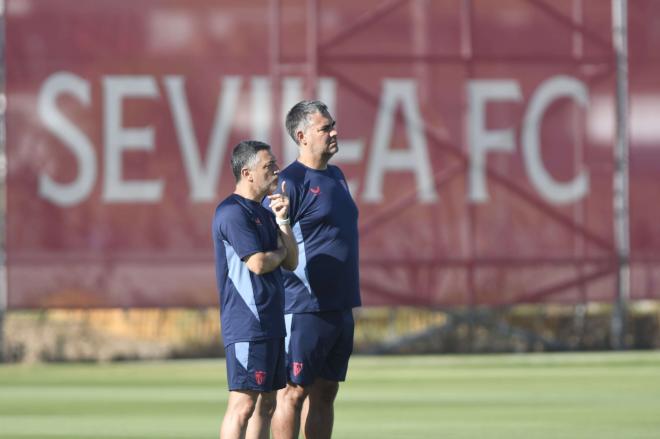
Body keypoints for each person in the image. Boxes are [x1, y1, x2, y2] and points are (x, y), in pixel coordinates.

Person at [269, 101, 361, 439]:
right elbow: (274, 245)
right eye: (325, 128)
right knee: (293, 392)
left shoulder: (336, 175)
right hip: (304, 305)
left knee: (326, 392)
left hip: (340, 304)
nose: (334, 132)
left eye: (333, 125)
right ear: (301, 136)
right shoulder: (288, 183)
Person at [212, 140, 298, 439]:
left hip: (270, 321)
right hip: (248, 322)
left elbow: (291, 261)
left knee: (268, 403)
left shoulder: (264, 210)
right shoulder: (232, 213)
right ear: (247, 173)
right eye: (268, 166)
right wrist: (276, 253)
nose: (276, 169)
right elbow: (259, 264)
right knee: (243, 404)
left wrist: (284, 221)